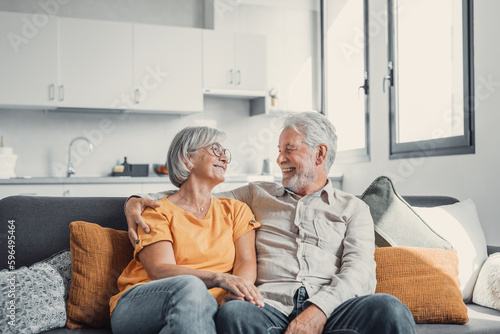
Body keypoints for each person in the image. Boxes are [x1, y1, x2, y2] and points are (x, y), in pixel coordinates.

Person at [125, 112, 416, 334]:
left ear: (320, 154)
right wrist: (136, 199)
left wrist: (318, 311)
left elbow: (359, 271)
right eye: (279, 150)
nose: (279, 159)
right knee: (233, 314)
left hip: (335, 308)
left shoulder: (354, 208)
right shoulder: (255, 194)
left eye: (289, 149)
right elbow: (193, 194)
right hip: (269, 308)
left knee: (390, 308)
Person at [110, 126, 263, 334]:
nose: (225, 158)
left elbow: (246, 261)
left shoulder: (236, 210)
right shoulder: (156, 211)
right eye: (215, 149)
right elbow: (160, 269)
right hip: (142, 304)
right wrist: (220, 279)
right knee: (191, 288)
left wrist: (239, 293)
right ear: (186, 159)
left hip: (198, 311)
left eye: (225, 152)